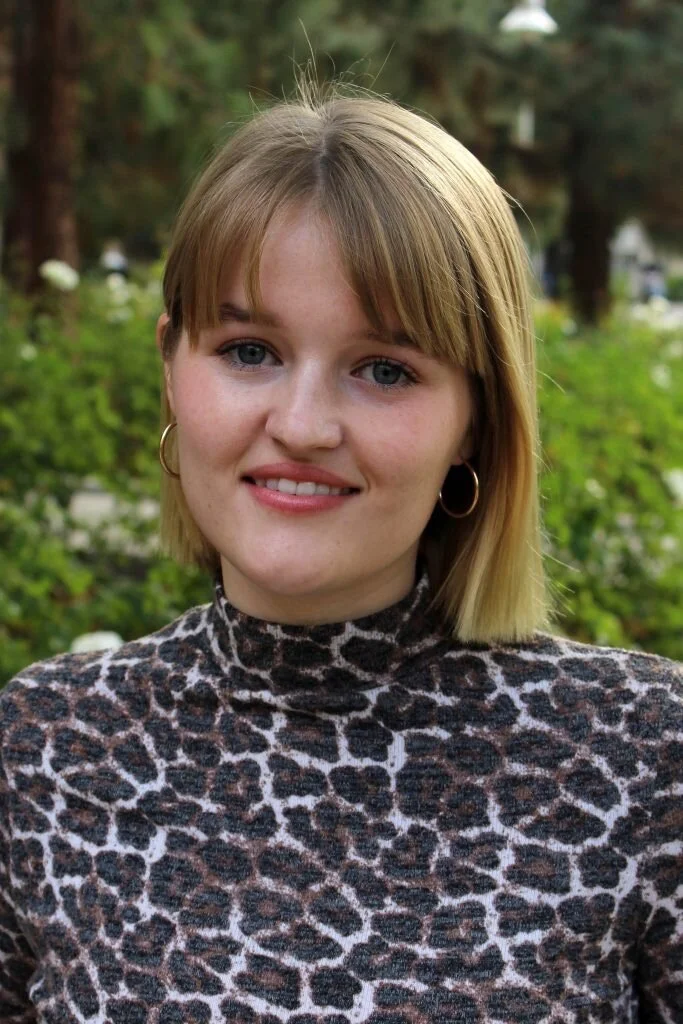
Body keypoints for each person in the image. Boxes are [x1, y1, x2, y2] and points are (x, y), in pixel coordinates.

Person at [1, 84, 681, 1024]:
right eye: (249, 351)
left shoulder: (640, 757)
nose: (302, 425)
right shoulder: (48, 750)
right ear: (171, 368)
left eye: (384, 369)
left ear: (475, 421)